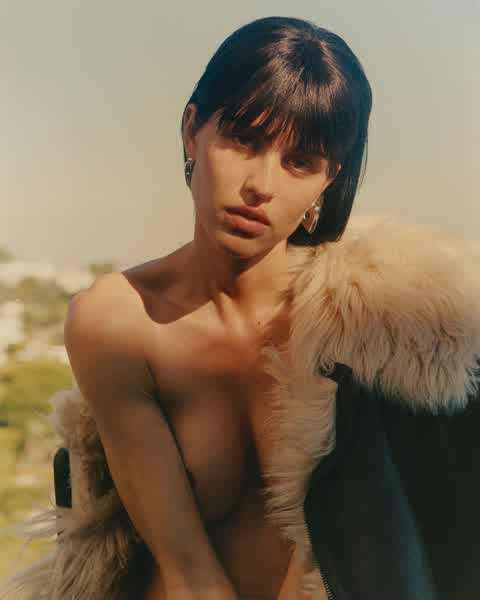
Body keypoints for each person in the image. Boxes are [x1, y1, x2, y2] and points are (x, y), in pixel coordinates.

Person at [1, 14, 479, 600]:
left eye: (301, 161)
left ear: (329, 180)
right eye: (244, 140)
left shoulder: (383, 325)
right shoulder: (119, 322)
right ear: (192, 131)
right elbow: (186, 569)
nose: (261, 185)